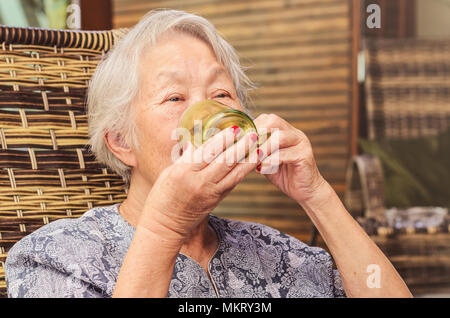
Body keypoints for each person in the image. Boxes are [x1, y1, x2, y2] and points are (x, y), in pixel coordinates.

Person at [5, 9, 412, 298]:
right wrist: (165, 225)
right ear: (121, 142)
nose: (209, 113)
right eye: (174, 96)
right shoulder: (55, 258)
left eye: (221, 94)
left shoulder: (277, 254)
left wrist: (318, 195)